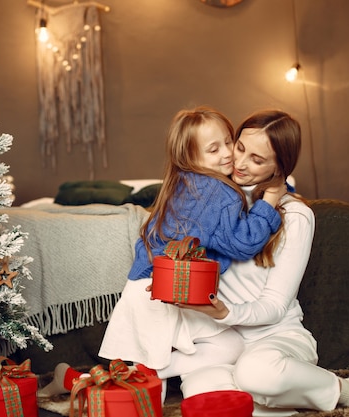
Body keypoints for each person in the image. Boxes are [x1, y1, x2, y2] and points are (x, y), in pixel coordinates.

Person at [178, 109, 349, 415]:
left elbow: (275, 306)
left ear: (280, 166)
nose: (239, 163)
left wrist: (225, 311)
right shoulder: (210, 201)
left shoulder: (295, 215)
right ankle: (273, 398)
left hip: (276, 338)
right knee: (200, 389)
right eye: (239, 148)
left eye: (257, 159)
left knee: (256, 373)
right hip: (222, 342)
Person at [39, 106, 286, 398]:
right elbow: (243, 243)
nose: (228, 154)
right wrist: (269, 202)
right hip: (166, 291)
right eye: (213, 149)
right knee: (152, 390)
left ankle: (74, 379)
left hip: (152, 287)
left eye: (228, 142)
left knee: (217, 350)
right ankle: (82, 381)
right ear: (191, 158)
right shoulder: (217, 192)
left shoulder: (183, 183)